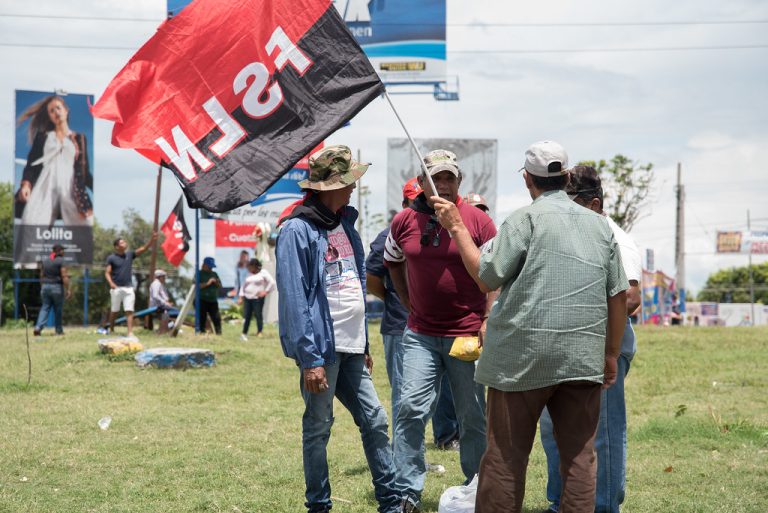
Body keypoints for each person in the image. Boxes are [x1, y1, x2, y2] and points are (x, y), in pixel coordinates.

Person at [432, 141, 628, 513]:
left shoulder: (524, 220)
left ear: (527, 180)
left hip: (520, 360)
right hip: (581, 357)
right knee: (579, 458)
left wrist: (457, 226)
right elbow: (618, 297)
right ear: (567, 178)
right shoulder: (600, 227)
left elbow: (488, 277)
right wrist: (612, 353)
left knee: (506, 456)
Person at [276, 145, 401, 513]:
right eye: (348, 182)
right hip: (321, 350)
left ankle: (391, 503)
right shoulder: (296, 230)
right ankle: (319, 505)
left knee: (375, 420)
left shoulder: (346, 224)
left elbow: (352, 284)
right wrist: (310, 358)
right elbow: (295, 298)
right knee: (319, 426)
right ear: (328, 186)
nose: (353, 188)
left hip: (351, 346)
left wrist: (362, 344)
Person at [384, 149, 496, 512]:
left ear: (459, 182)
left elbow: (496, 274)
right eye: (436, 178)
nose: (443, 184)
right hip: (419, 333)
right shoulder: (402, 221)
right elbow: (391, 262)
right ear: (422, 183)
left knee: (472, 415)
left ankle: (477, 488)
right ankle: (406, 493)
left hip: (466, 334)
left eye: (449, 177)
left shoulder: (478, 221)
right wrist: (407, 301)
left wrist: (487, 319)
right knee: (410, 409)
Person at [539, 165, 643, 513]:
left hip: (603, 347)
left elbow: (630, 298)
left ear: (595, 203)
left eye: (572, 202)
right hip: (565, 346)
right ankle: (561, 502)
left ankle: (603, 506)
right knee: (554, 427)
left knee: (602, 434)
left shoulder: (614, 236)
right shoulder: (571, 235)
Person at [366, 178, 460, 453]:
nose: (421, 203)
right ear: (405, 202)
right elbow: (372, 278)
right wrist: (397, 300)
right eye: (414, 199)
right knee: (405, 396)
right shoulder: (390, 235)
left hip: (431, 327)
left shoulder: (441, 228)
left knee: (429, 395)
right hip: (399, 324)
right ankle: (403, 455)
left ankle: (417, 449)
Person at [15, 95, 93, 226]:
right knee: (31, 225)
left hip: (72, 189)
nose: (56, 112)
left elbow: (84, 170)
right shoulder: (43, 137)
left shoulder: (79, 138)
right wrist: (26, 184)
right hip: (44, 186)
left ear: (66, 110)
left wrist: (96, 187)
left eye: (58, 108)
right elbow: (31, 164)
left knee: (84, 228)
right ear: (49, 116)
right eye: (52, 111)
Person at [106, 234, 157, 339]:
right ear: (116, 246)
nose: (125, 243)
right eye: (122, 242)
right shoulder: (111, 258)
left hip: (128, 288)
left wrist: (151, 240)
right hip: (116, 288)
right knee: (114, 311)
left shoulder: (129, 255)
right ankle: (111, 328)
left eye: (124, 241)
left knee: (129, 310)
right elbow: (107, 272)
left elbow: (143, 248)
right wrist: (111, 283)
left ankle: (130, 332)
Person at [33, 244, 71, 336]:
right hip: (57, 287)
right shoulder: (61, 261)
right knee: (58, 309)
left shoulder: (45, 261)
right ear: (59, 251)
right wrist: (68, 289)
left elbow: (41, 275)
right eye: (63, 250)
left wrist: (43, 286)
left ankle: (38, 327)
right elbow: (64, 276)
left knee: (45, 308)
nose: (64, 252)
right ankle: (58, 330)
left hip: (45, 287)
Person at [238, 257, 275, 341]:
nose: (249, 268)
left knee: (258, 314)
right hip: (247, 298)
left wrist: (265, 292)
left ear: (255, 266)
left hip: (257, 299)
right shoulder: (248, 274)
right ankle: (244, 332)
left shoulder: (263, 273)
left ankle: (259, 331)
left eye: (250, 266)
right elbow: (243, 286)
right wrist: (240, 297)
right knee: (247, 315)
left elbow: (272, 282)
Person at [199, 256, 222, 335]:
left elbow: (220, 286)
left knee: (216, 317)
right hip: (202, 299)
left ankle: (219, 332)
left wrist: (216, 283)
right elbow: (197, 286)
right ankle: (201, 332)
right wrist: (208, 283)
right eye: (209, 267)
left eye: (211, 267)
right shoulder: (199, 273)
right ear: (204, 265)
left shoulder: (214, 274)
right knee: (202, 317)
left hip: (213, 300)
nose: (211, 269)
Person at [149, 269, 175, 334]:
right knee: (173, 313)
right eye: (163, 277)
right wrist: (165, 303)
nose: (164, 278)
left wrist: (167, 303)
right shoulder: (156, 284)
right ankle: (162, 331)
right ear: (160, 277)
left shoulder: (159, 284)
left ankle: (169, 330)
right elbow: (155, 296)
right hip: (157, 306)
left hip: (161, 306)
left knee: (169, 317)